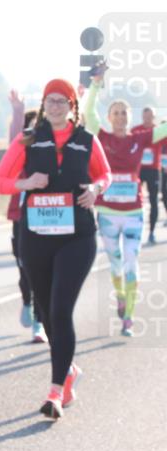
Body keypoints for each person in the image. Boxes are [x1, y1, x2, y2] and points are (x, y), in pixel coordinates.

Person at [0, 77, 111, 420]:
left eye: (62, 101)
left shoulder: (86, 140)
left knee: (60, 310)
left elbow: (106, 175)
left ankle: (56, 391)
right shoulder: (28, 138)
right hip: (37, 235)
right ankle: (68, 371)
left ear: (72, 106)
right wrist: (26, 183)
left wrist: (96, 188)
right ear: (43, 105)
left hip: (78, 235)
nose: (55, 106)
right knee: (45, 312)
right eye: (50, 101)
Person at [82, 69, 167, 336]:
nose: (120, 116)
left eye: (124, 113)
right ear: (110, 118)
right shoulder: (102, 137)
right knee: (116, 263)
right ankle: (120, 294)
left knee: (132, 261)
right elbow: (90, 112)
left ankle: (128, 316)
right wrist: (95, 86)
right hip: (107, 213)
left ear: (130, 118)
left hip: (133, 213)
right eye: (116, 112)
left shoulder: (140, 138)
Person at [8, 91, 48, 343]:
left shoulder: (54, 149)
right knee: (25, 268)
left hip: (48, 215)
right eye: (29, 128)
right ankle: (26, 300)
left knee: (44, 270)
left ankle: (39, 322)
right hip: (22, 215)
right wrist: (17, 112)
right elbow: (13, 141)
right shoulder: (21, 149)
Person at [132, 107, 164, 244]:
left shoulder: (159, 132)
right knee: (134, 200)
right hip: (138, 170)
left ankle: (151, 232)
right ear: (142, 117)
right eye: (145, 117)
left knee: (153, 201)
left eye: (150, 117)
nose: (147, 120)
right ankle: (133, 230)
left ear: (154, 118)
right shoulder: (136, 130)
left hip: (153, 170)